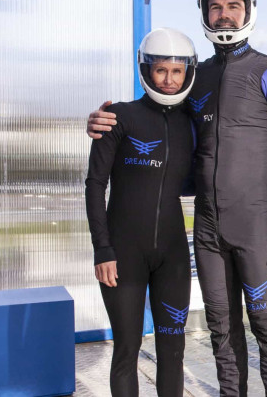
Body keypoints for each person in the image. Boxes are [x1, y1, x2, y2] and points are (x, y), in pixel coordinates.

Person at [88, 0, 267, 396]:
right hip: (208, 231)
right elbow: (160, 125)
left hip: (258, 228)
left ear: (248, 11)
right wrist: (103, 120)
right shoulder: (197, 78)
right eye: (215, 7)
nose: (224, 14)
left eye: (232, 6)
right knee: (222, 332)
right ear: (205, 16)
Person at [85, 28, 197, 397]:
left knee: (173, 351)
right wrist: (103, 249)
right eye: (161, 70)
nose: (169, 79)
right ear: (146, 71)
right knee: (127, 350)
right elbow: (95, 185)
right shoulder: (118, 117)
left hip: (174, 257)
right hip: (122, 255)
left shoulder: (192, 124)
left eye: (177, 71)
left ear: (187, 73)